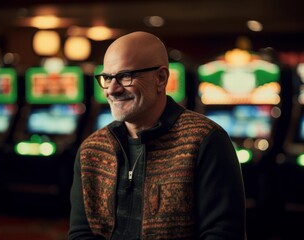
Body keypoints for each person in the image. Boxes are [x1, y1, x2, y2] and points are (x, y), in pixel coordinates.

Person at [68, 31, 246, 240]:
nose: (112, 90)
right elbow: (81, 233)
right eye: (107, 78)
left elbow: (222, 234)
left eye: (125, 76)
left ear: (161, 78)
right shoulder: (92, 149)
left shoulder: (206, 140)